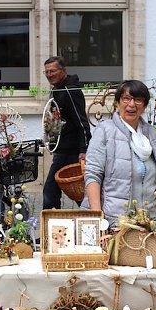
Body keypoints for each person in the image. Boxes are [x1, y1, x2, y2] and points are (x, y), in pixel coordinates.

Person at [83, 80, 156, 226]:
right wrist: (97, 216)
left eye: (138, 100)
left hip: (148, 220)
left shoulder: (151, 133)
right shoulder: (105, 131)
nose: (131, 104)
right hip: (115, 220)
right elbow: (92, 175)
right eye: (126, 99)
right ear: (117, 103)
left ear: (144, 106)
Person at [42, 56, 91, 209]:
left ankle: (51, 222)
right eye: (46, 72)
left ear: (64, 71)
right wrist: (52, 142)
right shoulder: (58, 89)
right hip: (62, 148)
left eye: (53, 71)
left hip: (71, 150)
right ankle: (92, 213)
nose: (49, 75)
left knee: (51, 189)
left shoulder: (70, 90)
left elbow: (81, 120)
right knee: (76, 191)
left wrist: (84, 149)